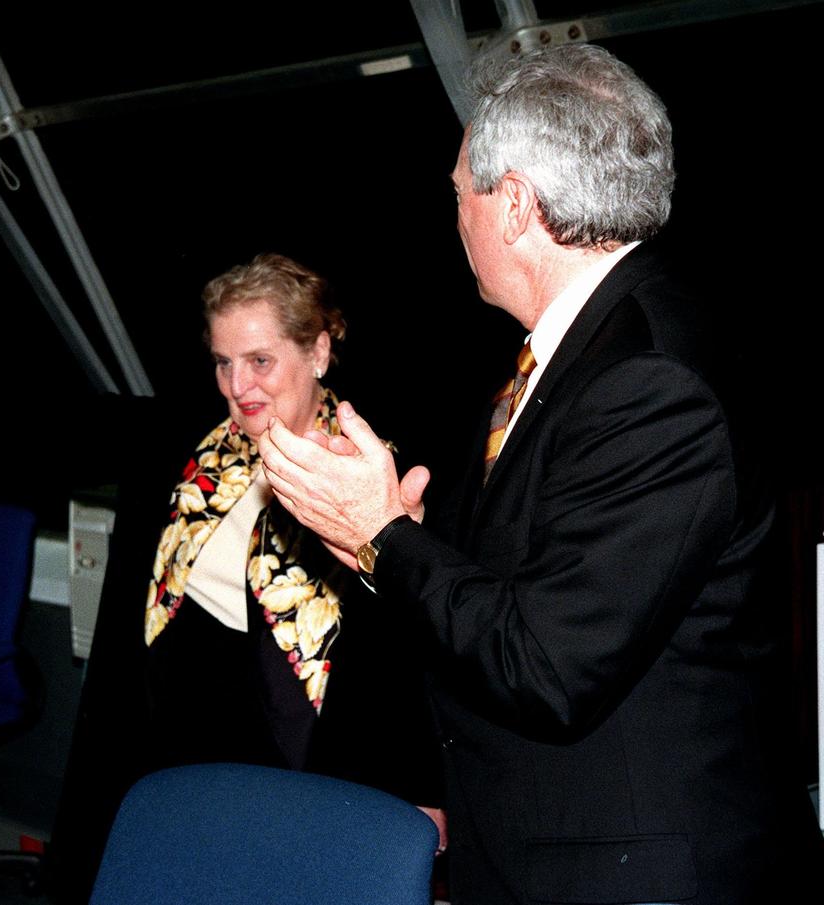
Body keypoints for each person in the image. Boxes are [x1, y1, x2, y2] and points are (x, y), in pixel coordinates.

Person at [258, 43, 821, 904]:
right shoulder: (580, 347)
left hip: (635, 872)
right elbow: (518, 576)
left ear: (514, 204)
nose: (454, 218)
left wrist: (379, 533)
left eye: (459, 194)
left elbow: (548, 666)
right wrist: (392, 536)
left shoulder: (650, 380)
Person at [0, 222, 445, 901]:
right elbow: (59, 420)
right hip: (173, 733)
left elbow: (415, 647)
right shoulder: (189, 445)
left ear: (317, 351)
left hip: (305, 750)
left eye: (259, 360)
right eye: (223, 362)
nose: (237, 384)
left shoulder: (367, 472)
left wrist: (424, 791)